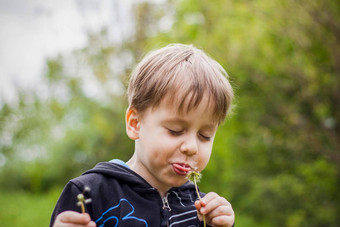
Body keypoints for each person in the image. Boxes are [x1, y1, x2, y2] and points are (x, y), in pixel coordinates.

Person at [51, 43, 235, 227]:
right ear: (135, 123)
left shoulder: (200, 210)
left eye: (205, 135)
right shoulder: (91, 194)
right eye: (175, 130)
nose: (192, 147)